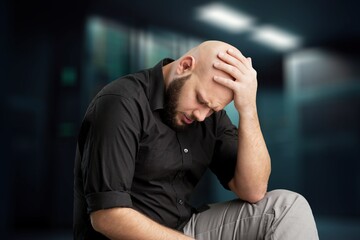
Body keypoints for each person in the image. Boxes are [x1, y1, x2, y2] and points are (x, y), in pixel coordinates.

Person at [73, 40, 319, 239]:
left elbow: (254, 190)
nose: (202, 115)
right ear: (185, 66)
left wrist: (248, 109)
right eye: (201, 101)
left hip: (182, 230)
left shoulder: (208, 114)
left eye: (212, 109)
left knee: (287, 207)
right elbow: (107, 217)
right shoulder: (121, 102)